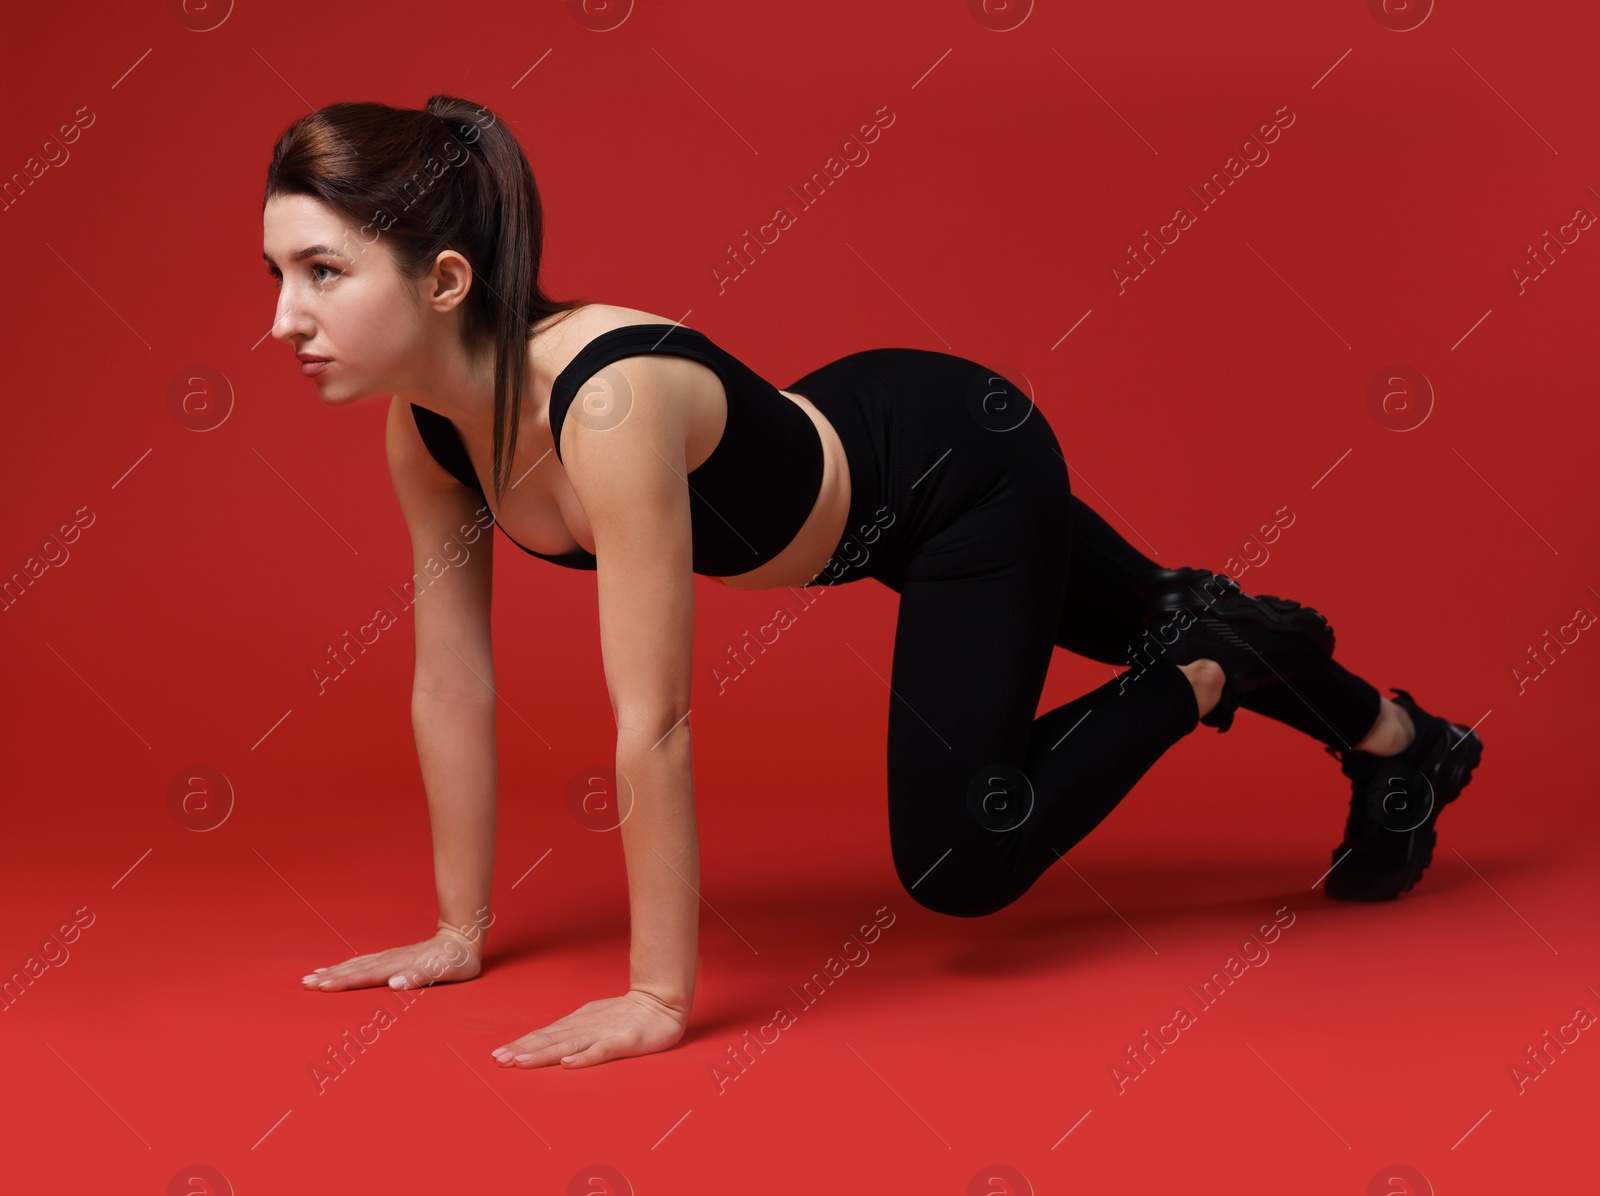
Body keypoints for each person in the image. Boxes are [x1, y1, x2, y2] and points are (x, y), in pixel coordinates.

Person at [263, 95, 1485, 1071]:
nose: (283, 318)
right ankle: (1399, 742)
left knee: (962, 857)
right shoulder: (424, 431)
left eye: (320, 271)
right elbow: (451, 681)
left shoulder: (606, 403)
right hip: (872, 460)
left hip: (957, 469)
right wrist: (457, 929)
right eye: (275, 274)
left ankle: (1208, 661)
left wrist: (654, 993)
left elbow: (656, 722)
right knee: (1147, 609)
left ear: (444, 281)